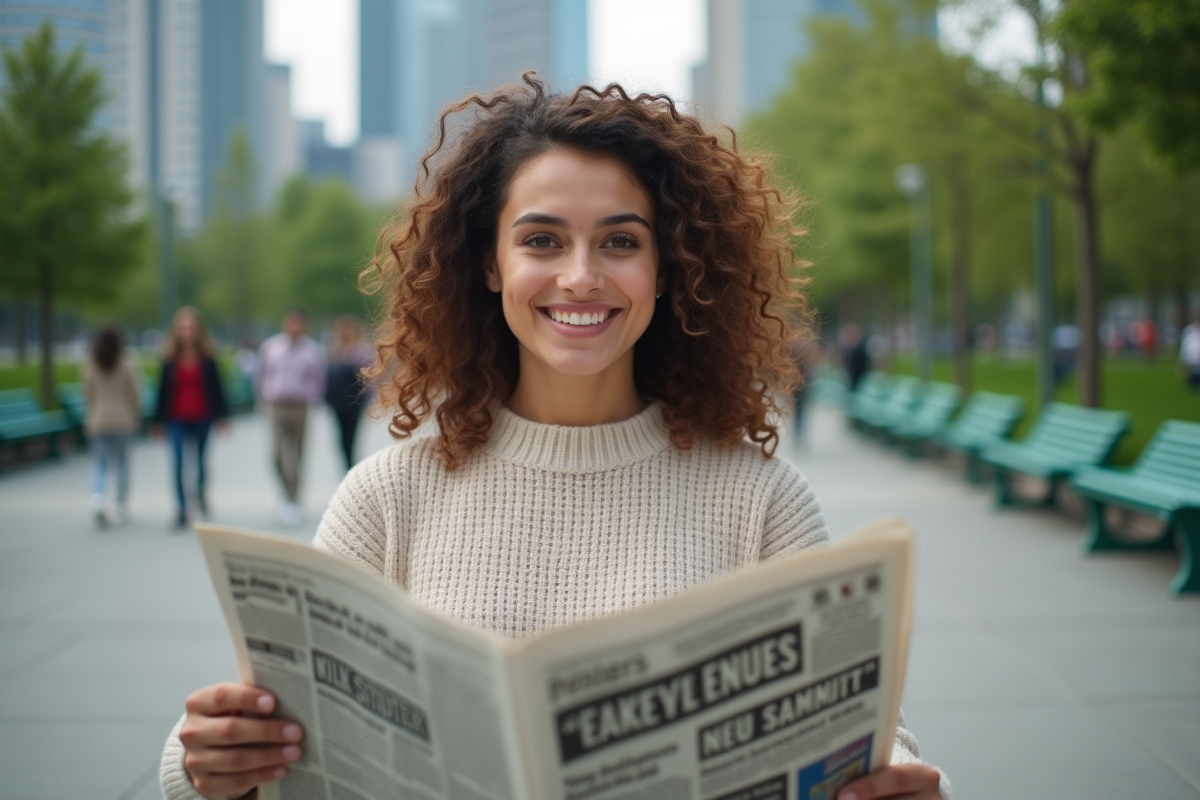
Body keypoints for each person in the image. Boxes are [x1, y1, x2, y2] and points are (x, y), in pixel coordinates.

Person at [161, 77, 948, 800]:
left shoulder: (761, 498)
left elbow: (872, 735)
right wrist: (206, 761)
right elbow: (272, 716)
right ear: (491, 265)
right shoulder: (388, 496)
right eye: (541, 241)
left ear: (667, 268)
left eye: (620, 242)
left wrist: (908, 783)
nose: (580, 276)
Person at [155, 307, 230, 530]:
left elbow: (217, 388)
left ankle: (199, 493)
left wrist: (222, 417)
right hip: (176, 418)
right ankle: (181, 507)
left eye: (191, 328)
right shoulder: (169, 358)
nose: (187, 332)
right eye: (184, 328)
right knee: (178, 462)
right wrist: (158, 422)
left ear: (198, 330)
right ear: (177, 331)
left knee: (200, 461)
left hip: (202, 417)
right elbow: (162, 391)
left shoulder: (207, 358)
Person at [256, 309, 325, 526]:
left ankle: (293, 500)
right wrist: (263, 399)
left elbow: (318, 380)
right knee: (276, 454)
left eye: (299, 323)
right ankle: (287, 491)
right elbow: (262, 375)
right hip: (277, 407)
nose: (295, 327)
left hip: (299, 407)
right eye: (291, 323)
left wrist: (311, 398)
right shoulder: (270, 347)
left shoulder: (312, 351)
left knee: (297, 455)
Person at [83, 325, 142, 527]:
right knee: (122, 464)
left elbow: (88, 392)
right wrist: (135, 413)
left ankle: (98, 497)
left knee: (100, 464)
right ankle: (120, 503)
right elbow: (134, 393)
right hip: (123, 420)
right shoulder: (127, 363)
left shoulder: (91, 363)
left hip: (99, 420)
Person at [324, 315, 373, 471]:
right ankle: (347, 466)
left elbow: (368, 378)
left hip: (354, 401)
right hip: (338, 401)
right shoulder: (333, 351)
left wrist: (369, 400)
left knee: (351, 437)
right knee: (340, 438)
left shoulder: (360, 352)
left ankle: (350, 467)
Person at [1181, 314, 1200, 391]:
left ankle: (1194, 384)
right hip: (1192, 354)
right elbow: (1186, 343)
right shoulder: (1189, 329)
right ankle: (1192, 385)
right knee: (1192, 370)